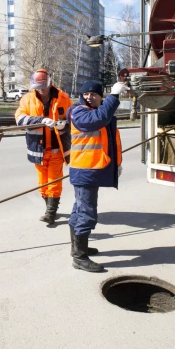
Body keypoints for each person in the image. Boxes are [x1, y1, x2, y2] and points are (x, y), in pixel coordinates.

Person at [67, 80, 129, 272]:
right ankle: (79, 257)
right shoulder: (79, 111)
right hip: (84, 170)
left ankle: (78, 248)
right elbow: (98, 119)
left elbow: (110, 141)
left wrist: (115, 164)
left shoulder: (99, 111)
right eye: (86, 94)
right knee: (86, 213)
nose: (89, 97)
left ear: (100, 96)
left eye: (94, 94)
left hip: (90, 169)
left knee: (79, 210)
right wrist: (115, 95)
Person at [15, 68, 72, 225]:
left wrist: (64, 126)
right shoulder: (27, 99)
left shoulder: (63, 98)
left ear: (49, 83)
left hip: (57, 148)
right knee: (42, 182)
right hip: (38, 149)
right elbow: (20, 119)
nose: (40, 89)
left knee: (54, 180)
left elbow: (72, 119)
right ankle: (50, 207)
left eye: (43, 86)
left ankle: (50, 212)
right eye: (37, 87)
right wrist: (40, 121)